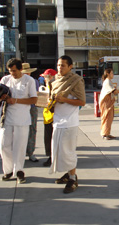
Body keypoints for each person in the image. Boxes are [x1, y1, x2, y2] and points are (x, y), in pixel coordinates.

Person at [49, 55, 86, 194]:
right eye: (58, 65)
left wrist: (64, 99)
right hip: (57, 121)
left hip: (70, 122)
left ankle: (72, 177)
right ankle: (67, 174)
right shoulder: (55, 81)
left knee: (68, 151)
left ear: (70, 67)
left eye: (63, 65)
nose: (60, 68)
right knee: (58, 151)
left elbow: (82, 102)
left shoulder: (76, 80)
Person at [0, 58, 38, 184]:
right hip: (7, 118)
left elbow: (33, 100)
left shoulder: (29, 81)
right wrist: (0, 97)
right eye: (10, 71)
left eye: (14, 71)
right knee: (3, 145)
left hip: (22, 119)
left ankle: (19, 170)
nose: (12, 73)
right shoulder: (5, 80)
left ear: (21, 69)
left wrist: (15, 100)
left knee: (20, 147)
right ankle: (8, 170)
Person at [99, 68, 119, 140]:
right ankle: (104, 134)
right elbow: (114, 92)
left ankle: (107, 133)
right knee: (107, 117)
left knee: (110, 117)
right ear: (108, 74)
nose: (113, 75)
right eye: (112, 73)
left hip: (109, 101)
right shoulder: (107, 82)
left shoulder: (109, 81)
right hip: (106, 102)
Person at [21, 63, 39, 162]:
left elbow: (36, 95)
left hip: (31, 107)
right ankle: (21, 153)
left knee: (32, 130)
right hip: (21, 108)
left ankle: (30, 152)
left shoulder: (34, 81)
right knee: (20, 131)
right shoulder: (17, 81)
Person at [40, 69, 57, 167]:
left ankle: (52, 158)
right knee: (48, 139)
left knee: (51, 139)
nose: (44, 79)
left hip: (52, 117)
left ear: (51, 77)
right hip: (47, 116)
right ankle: (51, 156)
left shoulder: (53, 86)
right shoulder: (48, 86)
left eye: (45, 77)